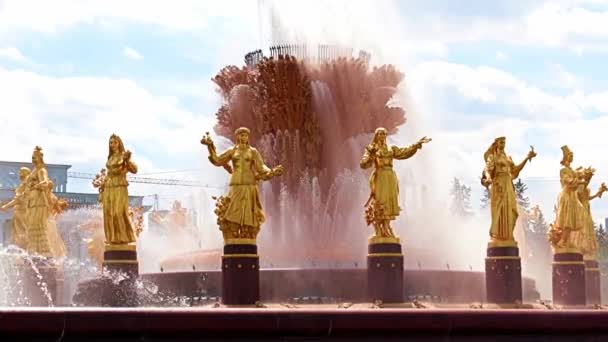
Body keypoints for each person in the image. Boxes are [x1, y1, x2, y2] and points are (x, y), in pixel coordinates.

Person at [201, 127, 283, 240]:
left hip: (249, 184)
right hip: (236, 184)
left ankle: (248, 232)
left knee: (249, 210)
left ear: (247, 137)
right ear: (237, 137)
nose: (243, 137)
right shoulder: (232, 151)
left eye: (245, 135)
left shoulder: (253, 151)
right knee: (233, 209)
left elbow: (261, 167)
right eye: (241, 135)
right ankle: (233, 231)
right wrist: (210, 146)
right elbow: (218, 160)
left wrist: (271, 171)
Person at [360, 127, 431, 238]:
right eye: (380, 134)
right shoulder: (371, 148)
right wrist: (372, 155)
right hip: (380, 177)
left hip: (390, 177)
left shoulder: (391, 148)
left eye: (384, 134)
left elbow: (404, 153)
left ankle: (387, 227)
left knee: (389, 202)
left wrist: (416, 145)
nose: (382, 136)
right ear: (376, 136)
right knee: (379, 202)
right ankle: (378, 229)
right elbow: (363, 164)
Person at [481, 137, 536, 246]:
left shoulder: (508, 158)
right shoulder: (493, 157)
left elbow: (516, 169)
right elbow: (487, 169)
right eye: (501, 142)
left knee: (512, 210)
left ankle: (508, 236)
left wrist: (527, 158)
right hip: (499, 185)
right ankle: (498, 237)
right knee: (499, 210)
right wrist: (488, 178)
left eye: (504, 142)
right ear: (496, 144)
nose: (503, 144)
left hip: (508, 185)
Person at [101, 134, 138, 245]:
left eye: (115, 142)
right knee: (109, 213)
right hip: (109, 187)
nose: (112, 145)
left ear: (119, 143)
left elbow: (134, 170)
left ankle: (124, 238)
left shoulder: (124, 156)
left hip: (120, 187)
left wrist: (127, 160)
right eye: (110, 143)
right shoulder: (111, 157)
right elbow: (109, 173)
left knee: (118, 212)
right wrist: (103, 184)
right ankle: (113, 239)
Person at [0, 167, 31, 249]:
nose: (19, 174)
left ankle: (24, 251)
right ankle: (23, 251)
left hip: (21, 212)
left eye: (21, 172)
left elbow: (18, 199)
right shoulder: (25, 185)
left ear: (25, 173)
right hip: (21, 212)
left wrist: (5, 206)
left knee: (21, 232)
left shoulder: (24, 185)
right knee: (19, 233)